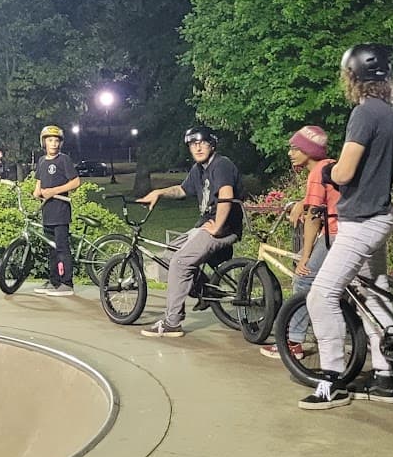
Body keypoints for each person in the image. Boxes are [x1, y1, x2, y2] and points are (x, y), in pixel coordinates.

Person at [300, 45, 393, 409]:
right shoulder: (390, 115)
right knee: (373, 294)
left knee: (321, 295)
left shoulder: (363, 115)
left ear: (353, 77)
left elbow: (344, 172)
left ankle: (331, 380)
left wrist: (326, 171)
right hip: (381, 216)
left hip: (360, 222)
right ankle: (386, 378)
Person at [137, 125, 242, 338]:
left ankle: (172, 322)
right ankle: (203, 291)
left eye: (202, 143)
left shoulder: (221, 164)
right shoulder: (198, 169)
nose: (198, 148)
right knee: (167, 256)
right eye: (193, 144)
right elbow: (182, 190)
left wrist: (219, 225)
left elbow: (226, 194)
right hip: (204, 226)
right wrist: (159, 192)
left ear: (211, 144)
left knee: (180, 262)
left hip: (223, 229)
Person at [262, 125, 338, 361]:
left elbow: (314, 218)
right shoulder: (330, 165)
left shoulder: (316, 173)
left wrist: (304, 258)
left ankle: (294, 342)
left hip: (335, 233)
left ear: (310, 150)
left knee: (304, 279)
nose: (290, 153)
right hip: (353, 231)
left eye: (296, 148)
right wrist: (301, 202)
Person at [32, 124, 81, 295]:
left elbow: (75, 182)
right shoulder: (42, 161)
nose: (53, 144)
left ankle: (67, 283)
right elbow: (39, 183)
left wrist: (54, 191)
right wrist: (37, 192)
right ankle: (54, 281)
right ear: (43, 142)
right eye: (50, 140)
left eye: (56, 141)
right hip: (47, 211)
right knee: (51, 249)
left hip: (61, 211)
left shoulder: (64, 160)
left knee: (62, 247)